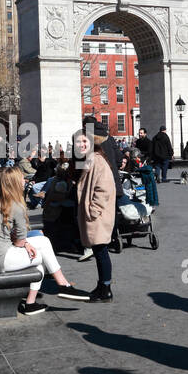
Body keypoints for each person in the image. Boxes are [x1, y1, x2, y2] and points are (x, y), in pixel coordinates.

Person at [0, 167, 86, 315]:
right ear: (14, 184)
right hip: (3, 259)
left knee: (42, 245)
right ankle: (61, 285)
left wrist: (27, 244)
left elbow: (12, 236)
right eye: (21, 179)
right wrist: (25, 244)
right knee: (42, 252)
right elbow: (18, 241)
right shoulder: (16, 206)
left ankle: (35, 301)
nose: (25, 181)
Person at [74, 129, 116, 302]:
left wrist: (93, 210)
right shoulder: (91, 158)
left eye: (85, 142)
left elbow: (104, 188)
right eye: (78, 142)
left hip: (98, 215)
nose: (81, 145)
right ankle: (102, 285)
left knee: (101, 250)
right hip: (96, 213)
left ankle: (106, 289)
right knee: (99, 251)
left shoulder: (96, 160)